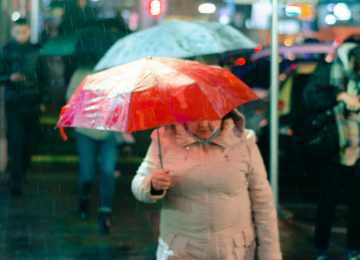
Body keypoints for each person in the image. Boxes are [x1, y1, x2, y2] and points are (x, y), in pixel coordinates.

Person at [132, 109, 282, 260]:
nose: (204, 124)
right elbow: (138, 182)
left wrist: (271, 255)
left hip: (234, 252)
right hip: (179, 251)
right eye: (195, 116)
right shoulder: (164, 140)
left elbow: (263, 204)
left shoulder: (243, 142)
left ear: (224, 113)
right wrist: (151, 184)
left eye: (211, 116)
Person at [300, 43, 360, 260]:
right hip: (332, 147)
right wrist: (339, 97)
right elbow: (308, 99)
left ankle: (354, 249)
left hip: (357, 149)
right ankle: (321, 249)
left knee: (357, 204)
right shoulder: (327, 71)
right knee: (328, 203)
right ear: (352, 60)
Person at [65, 56, 134, 235]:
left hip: (110, 132)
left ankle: (104, 213)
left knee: (107, 171)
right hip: (85, 130)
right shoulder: (81, 74)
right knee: (87, 174)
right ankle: (83, 201)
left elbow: (125, 103)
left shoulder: (117, 74)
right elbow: (70, 99)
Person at [0, 18, 49, 195]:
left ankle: (22, 172)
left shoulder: (37, 50)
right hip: (13, 102)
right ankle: (16, 179)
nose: (21, 35)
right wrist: (8, 78)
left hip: (32, 102)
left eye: (24, 32)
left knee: (29, 142)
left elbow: (45, 78)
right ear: (13, 32)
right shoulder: (6, 50)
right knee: (15, 142)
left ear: (29, 31)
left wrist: (43, 100)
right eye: (18, 32)